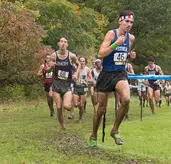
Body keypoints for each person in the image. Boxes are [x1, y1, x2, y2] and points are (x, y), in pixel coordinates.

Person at [89, 9, 136, 147]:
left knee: (126, 99)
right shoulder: (111, 34)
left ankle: (115, 130)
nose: (129, 24)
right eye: (127, 21)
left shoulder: (131, 38)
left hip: (120, 73)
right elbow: (101, 53)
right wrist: (116, 44)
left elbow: (122, 54)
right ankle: (93, 135)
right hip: (106, 74)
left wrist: (129, 56)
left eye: (131, 22)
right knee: (101, 109)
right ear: (120, 21)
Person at [49, 37, 79, 130]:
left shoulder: (71, 56)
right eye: (61, 41)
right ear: (58, 44)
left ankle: (71, 107)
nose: (63, 43)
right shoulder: (53, 56)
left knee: (66, 106)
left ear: (67, 45)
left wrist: (76, 74)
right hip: (56, 83)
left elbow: (79, 65)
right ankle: (62, 125)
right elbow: (48, 70)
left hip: (67, 83)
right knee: (58, 107)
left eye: (65, 42)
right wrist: (51, 66)